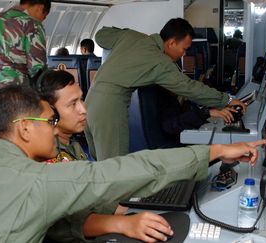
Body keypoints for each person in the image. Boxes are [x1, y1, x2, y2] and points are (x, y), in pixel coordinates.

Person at [0, 85, 266, 243]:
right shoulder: (36, 181)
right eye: (49, 121)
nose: (55, 128)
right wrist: (213, 153)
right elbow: (118, 173)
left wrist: (120, 226)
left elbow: (33, 222)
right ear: (25, 129)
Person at [36, 70, 187, 242]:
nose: (83, 109)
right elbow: (70, 222)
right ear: (50, 112)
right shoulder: (50, 155)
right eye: (72, 104)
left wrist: (132, 207)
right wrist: (125, 223)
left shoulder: (71, 144)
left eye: (81, 99)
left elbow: (90, 196)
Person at [85, 18, 246, 160]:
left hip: (88, 102)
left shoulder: (131, 37)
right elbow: (190, 88)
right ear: (171, 43)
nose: (183, 55)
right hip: (109, 110)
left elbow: (101, 35)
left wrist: (132, 34)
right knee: (112, 171)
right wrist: (227, 99)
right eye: (183, 49)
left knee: (100, 166)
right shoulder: (160, 62)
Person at [0, 0, 51, 88]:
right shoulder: (32, 24)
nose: (42, 20)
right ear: (40, 7)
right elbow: (37, 69)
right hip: (16, 90)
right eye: (44, 16)